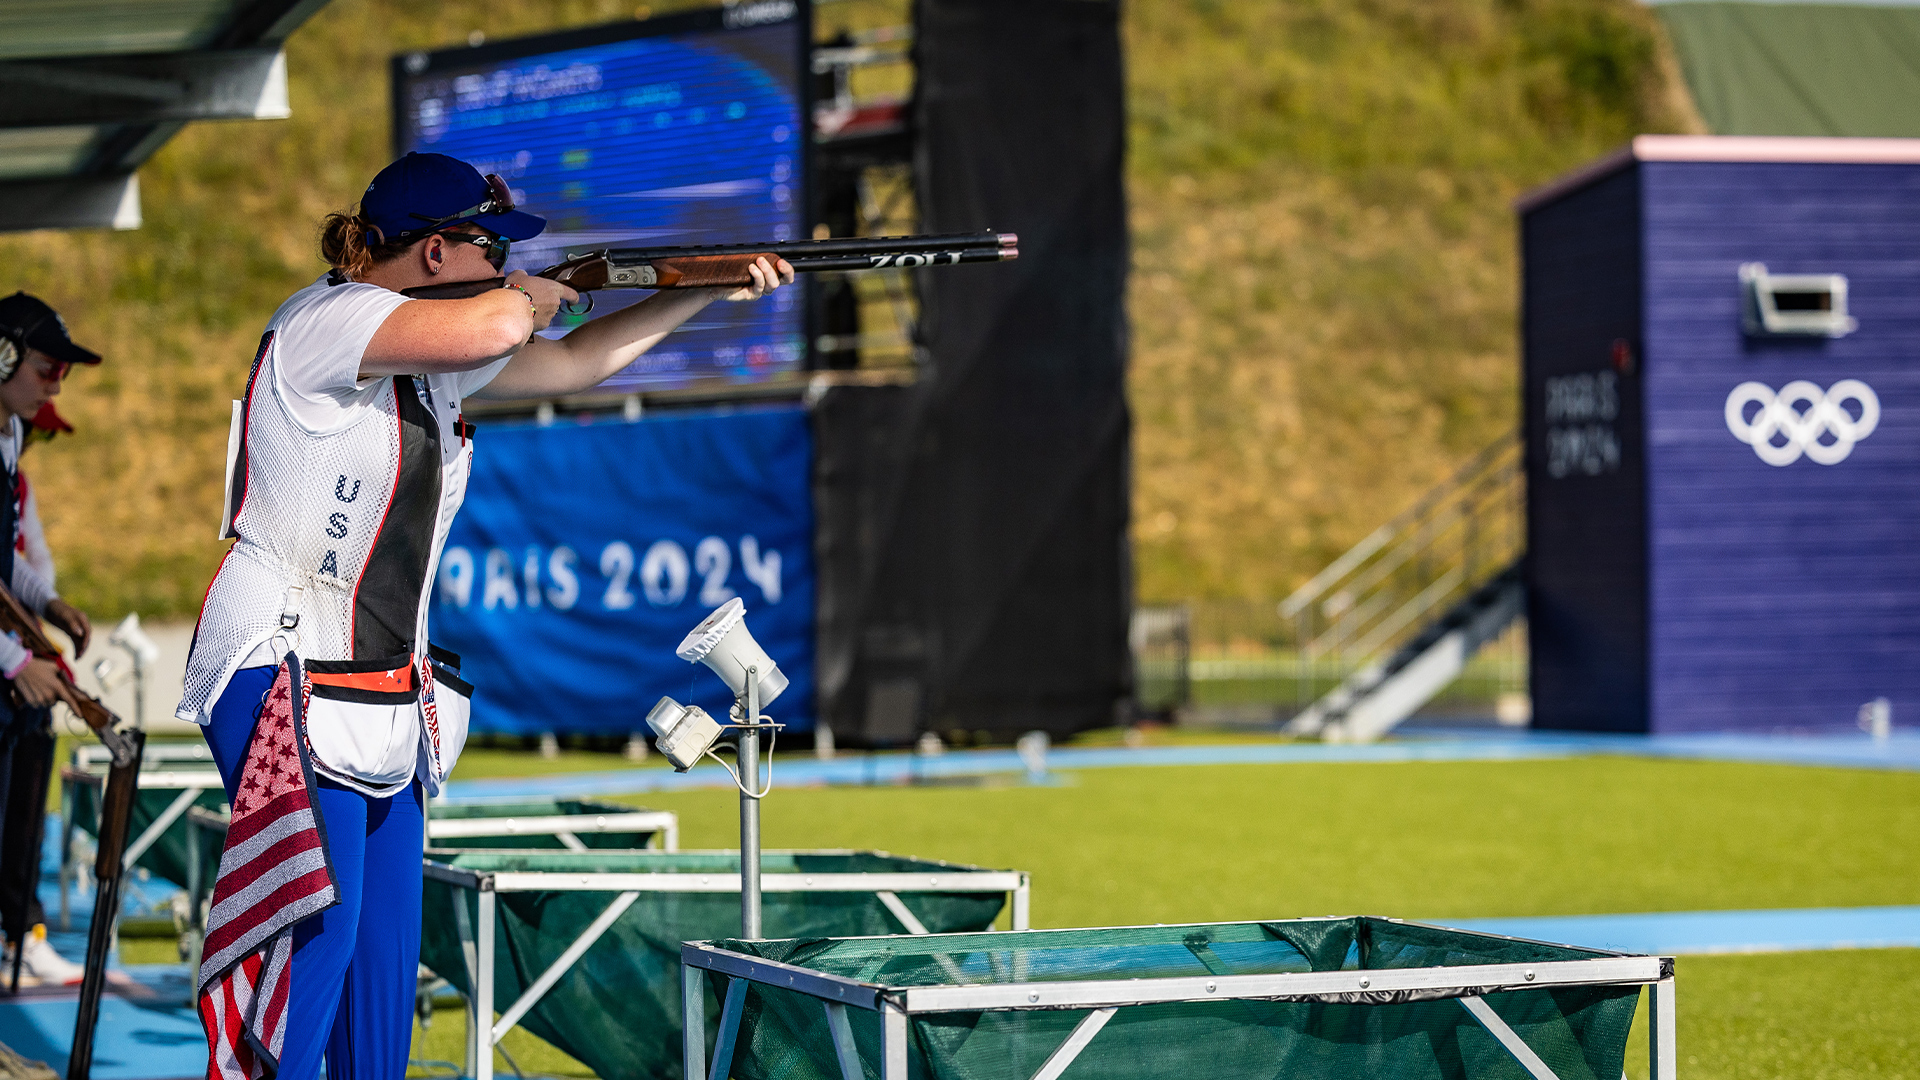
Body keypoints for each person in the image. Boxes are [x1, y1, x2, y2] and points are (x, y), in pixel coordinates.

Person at [176, 152, 792, 1080]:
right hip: (281, 672)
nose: (504, 264)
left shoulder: (425, 355)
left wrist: (698, 289)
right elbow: (510, 318)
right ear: (432, 253)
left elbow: (577, 362)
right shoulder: (326, 319)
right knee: (315, 947)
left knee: (384, 967)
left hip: (379, 689)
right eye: (489, 244)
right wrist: (547, 295)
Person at [0, 294, 99, 986]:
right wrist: (14, 661)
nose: (55, 383)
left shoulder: (6, 436)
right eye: (45, 367)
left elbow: (6, 566)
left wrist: (47, 602)